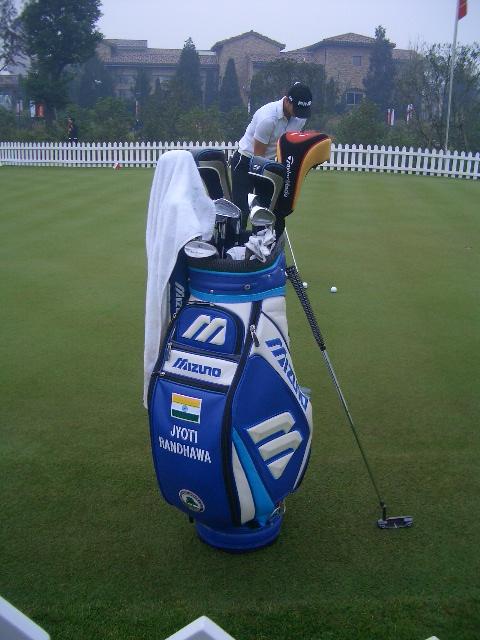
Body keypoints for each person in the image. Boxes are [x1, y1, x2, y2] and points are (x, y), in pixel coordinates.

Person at [230, 82, 312, 222]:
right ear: (287, 101)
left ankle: (263, 236)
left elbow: (289, 145)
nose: (299, 114)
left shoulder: (300, 117)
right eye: (297, 108)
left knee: (266, 211)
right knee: (241, 211)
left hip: (268, 163)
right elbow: (258, 157)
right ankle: (235, 236)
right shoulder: (268, 118)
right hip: (246, 161)